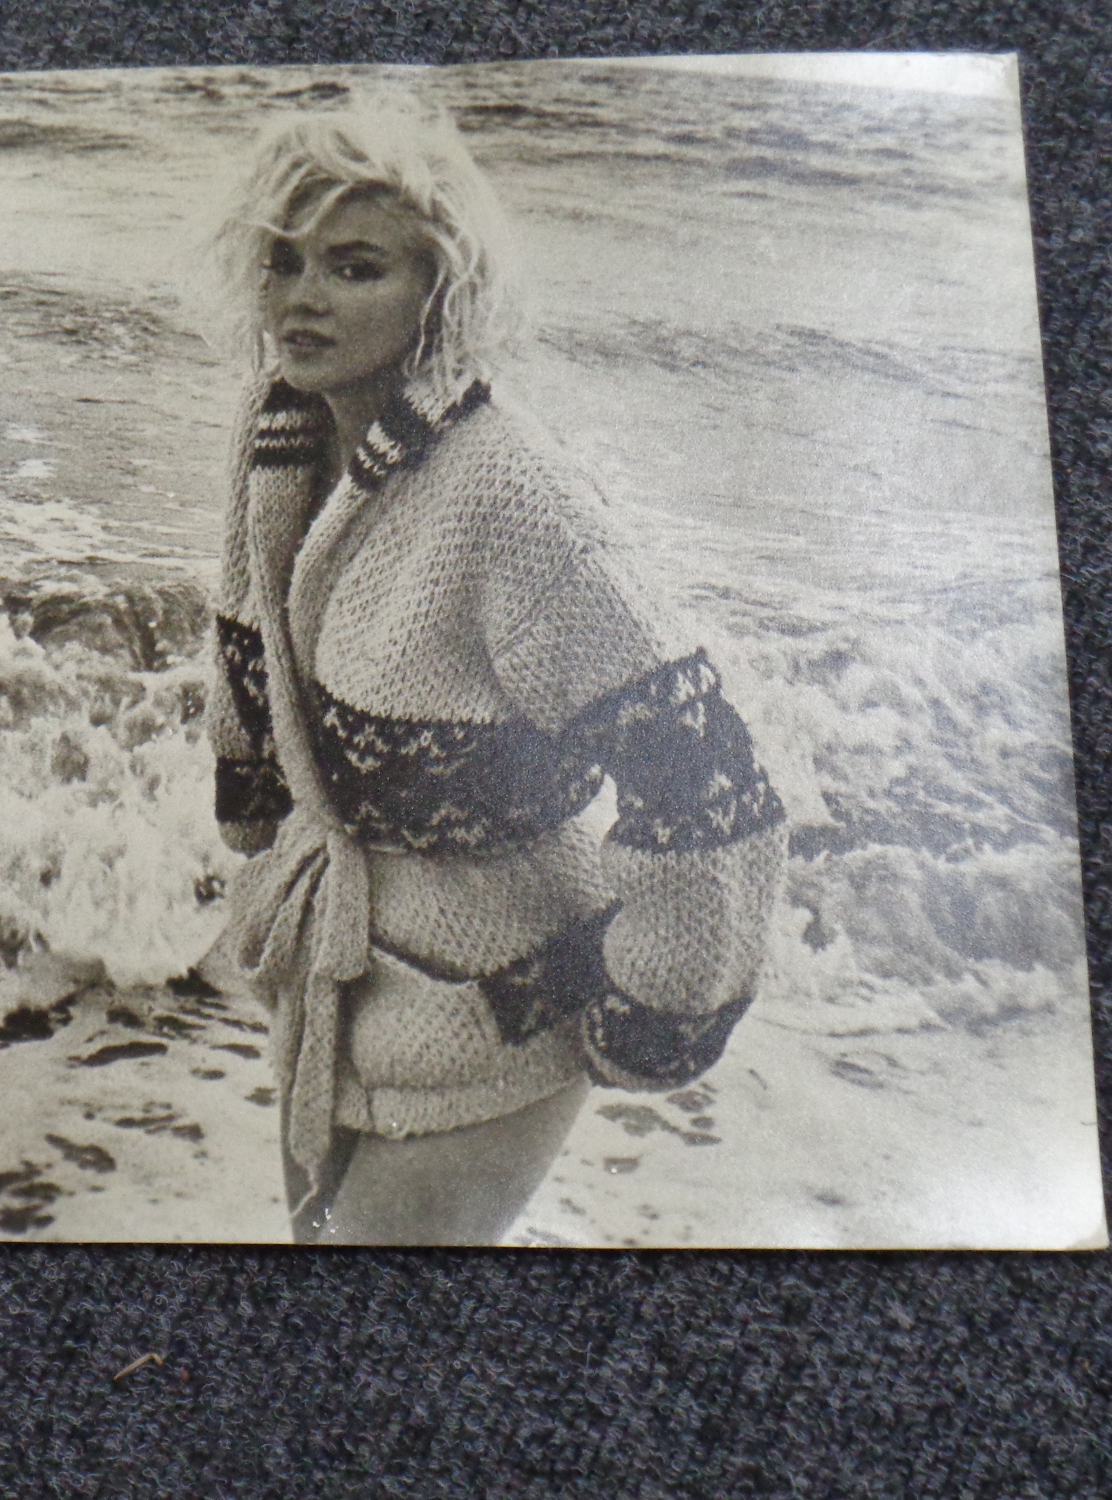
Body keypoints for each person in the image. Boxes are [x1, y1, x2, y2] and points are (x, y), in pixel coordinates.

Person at [202, 100, 788, 1245]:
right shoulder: (280, 424)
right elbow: (242, 637)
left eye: (352, 265)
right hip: (338, 977)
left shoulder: (510, 498)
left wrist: (651, 1005)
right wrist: (255, 806)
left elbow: (704, 770)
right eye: (282, 260)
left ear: (440, 292)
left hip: (507, 999)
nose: (299, 297)